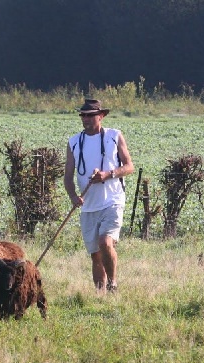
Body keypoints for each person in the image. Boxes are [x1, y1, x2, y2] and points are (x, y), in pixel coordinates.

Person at [64, 98, 134, 293]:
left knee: (105, 242)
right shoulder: (73, 142)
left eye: (90, 115)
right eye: (83, 115)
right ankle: (99, 295)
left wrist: (108, 175)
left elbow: (129, 167)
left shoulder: (114, 136)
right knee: (95, 255)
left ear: (101, 116)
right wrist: (72, 196)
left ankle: (113, 283)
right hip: (88, 205)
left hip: (112, 200)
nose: (86, 119)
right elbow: (68, 177)